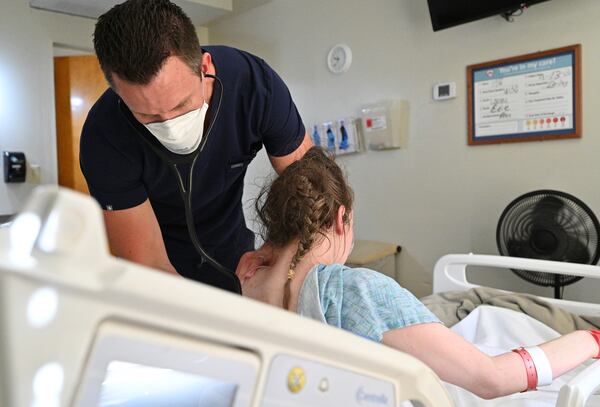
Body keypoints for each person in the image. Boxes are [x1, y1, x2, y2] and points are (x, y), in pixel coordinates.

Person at [236, 146, 600, 399]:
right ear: (341, 219)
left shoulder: (247, 285)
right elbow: (494, 380)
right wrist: (590, 340)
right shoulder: (355, 290)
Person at [79, 0, 312, 292]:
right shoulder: (104, 136)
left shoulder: (254, 85)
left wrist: (281, 256)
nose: (169, 125)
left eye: (181, 105)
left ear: (205, 66)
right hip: (164, 272)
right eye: (147, 116)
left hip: (237, 255)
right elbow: (148, 262)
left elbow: (312, 192)